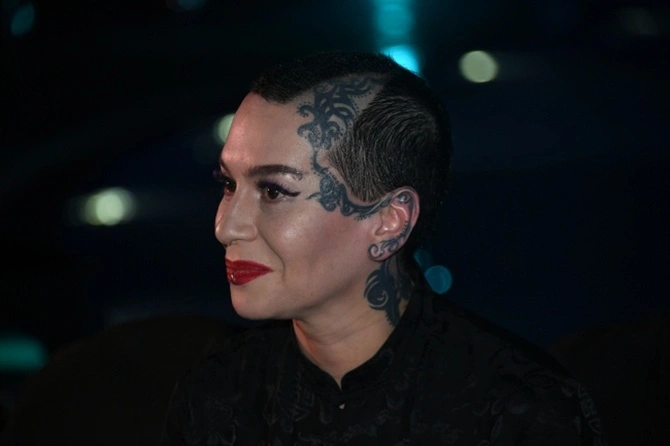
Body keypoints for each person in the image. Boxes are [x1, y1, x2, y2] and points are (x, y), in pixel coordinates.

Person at [161, 50, 607, 445]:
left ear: (389, 222)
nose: (225, 226)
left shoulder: (517, 410)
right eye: (228, 184)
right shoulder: (218, 394)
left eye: (273, 191)